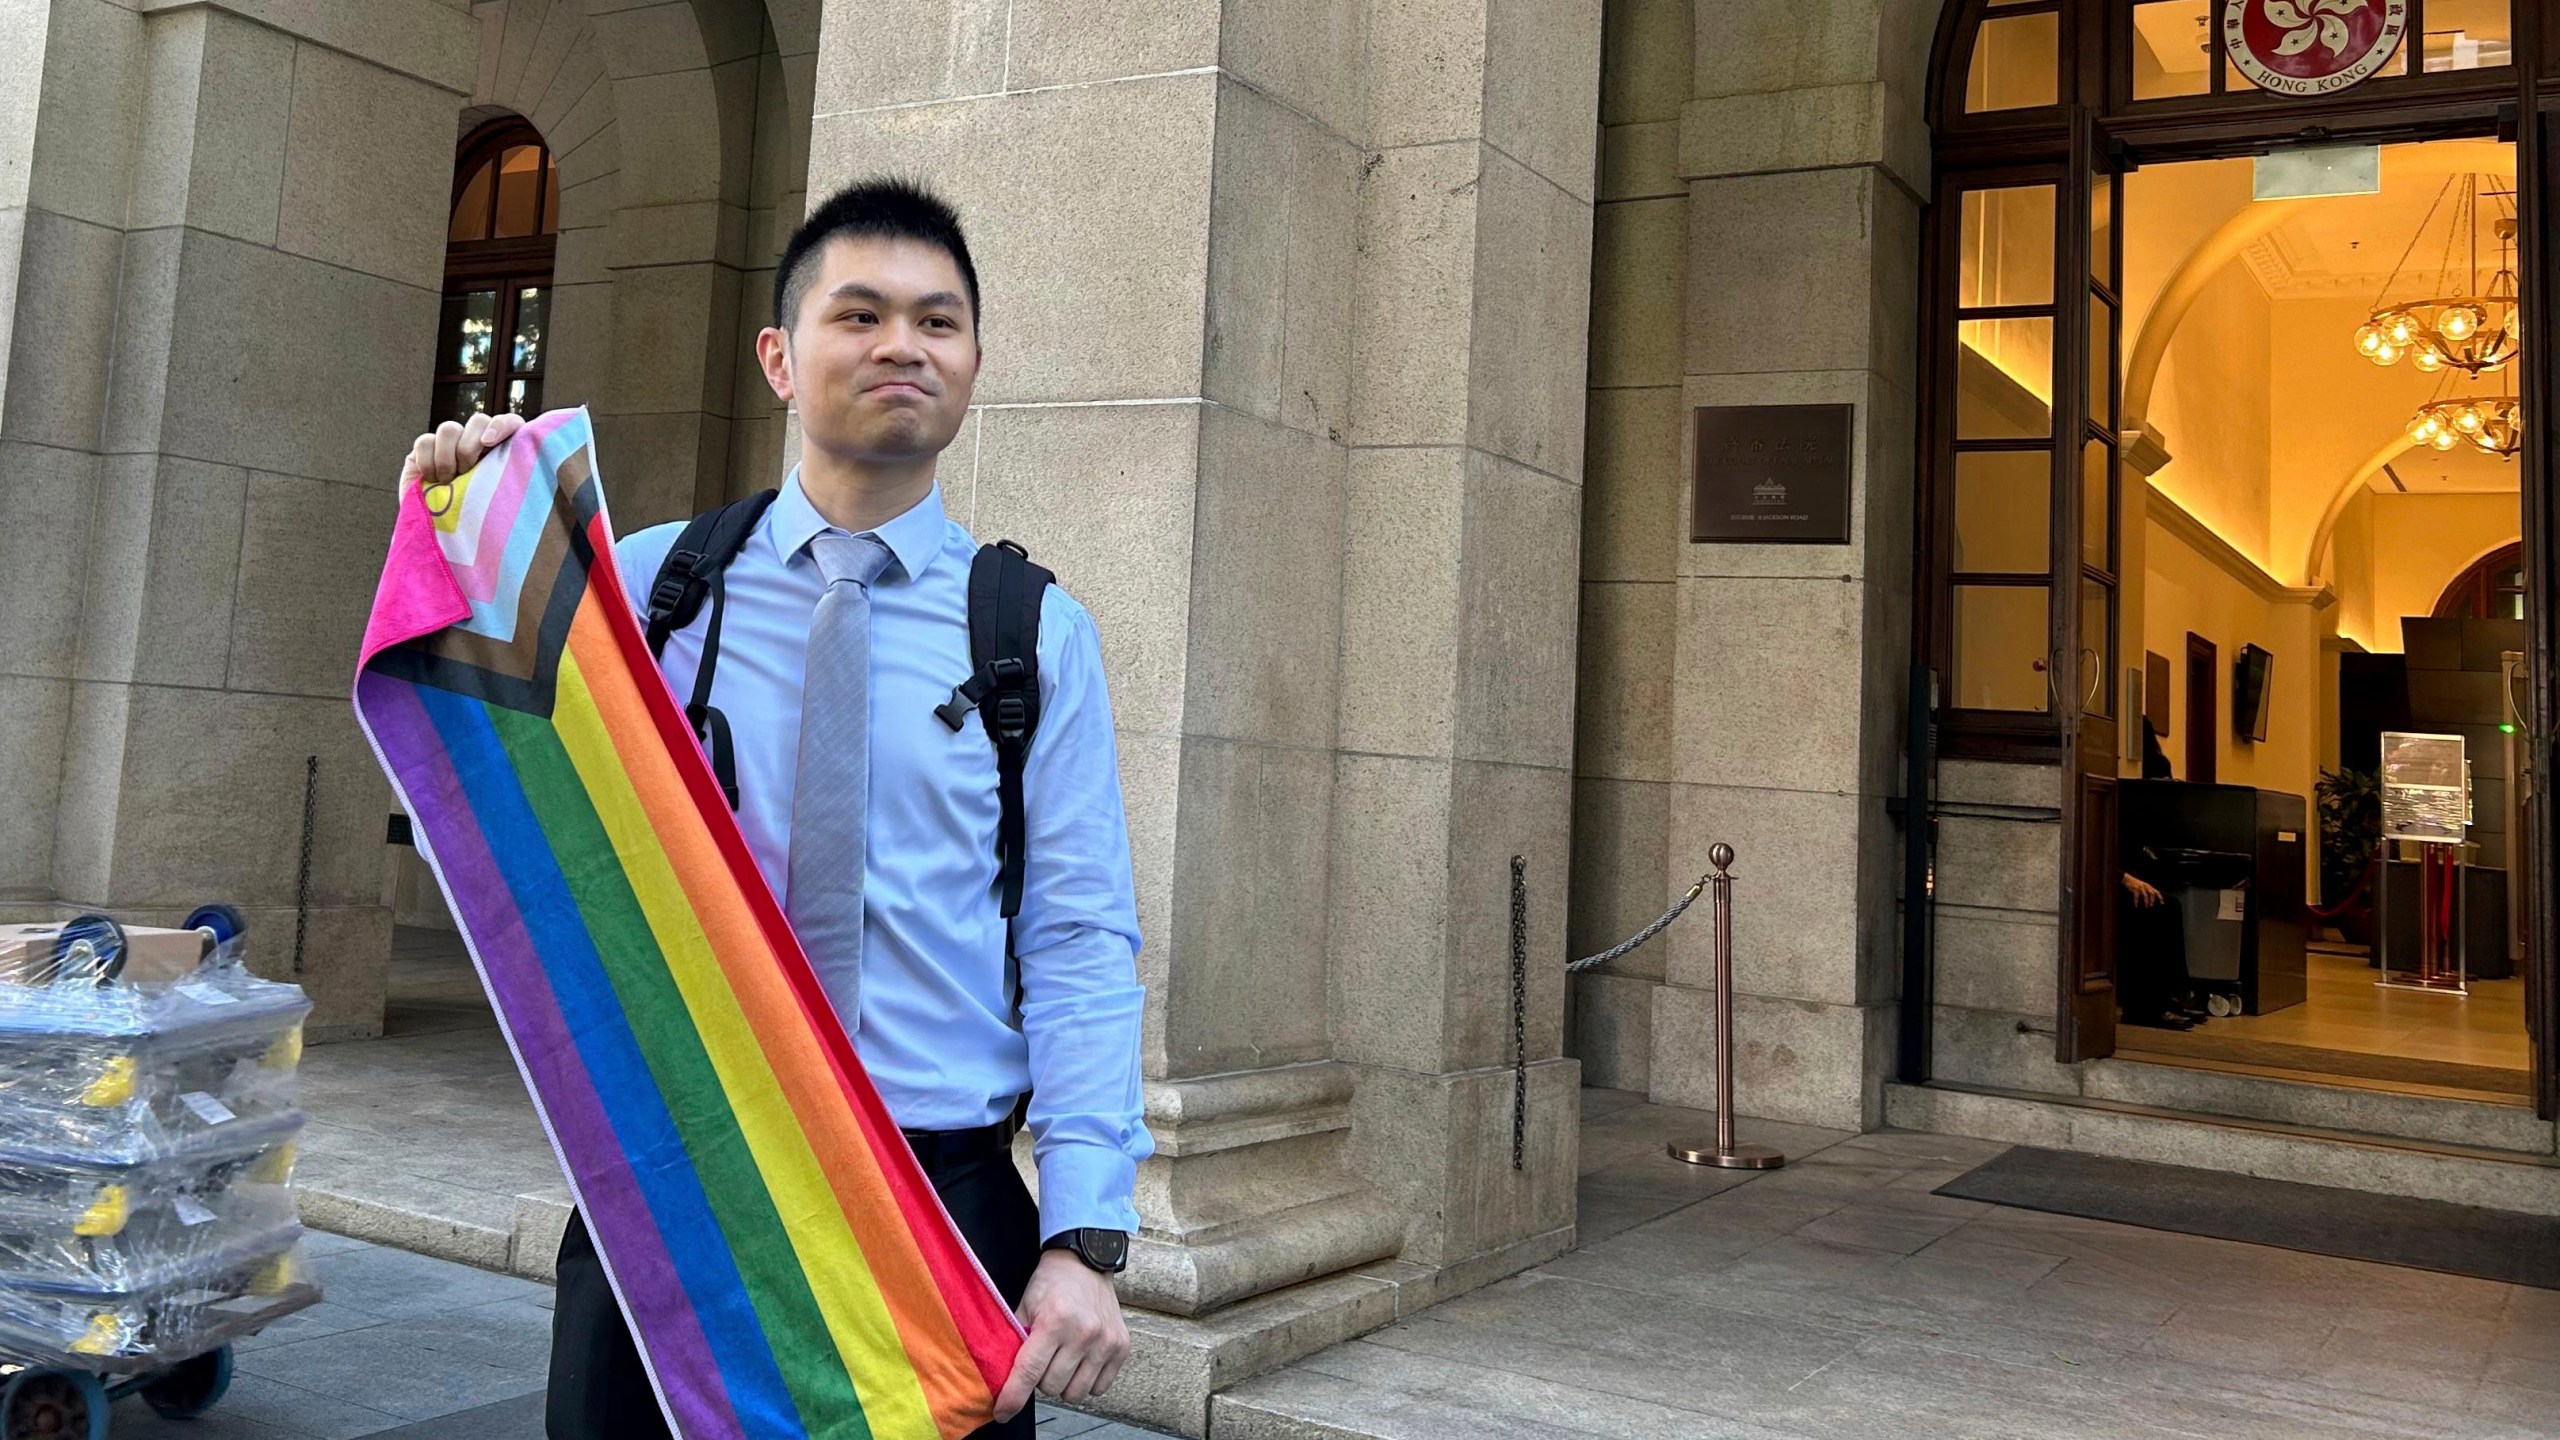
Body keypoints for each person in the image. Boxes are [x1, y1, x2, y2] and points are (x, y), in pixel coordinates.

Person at [399, 179, 1149, 1439]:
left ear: (971, 362)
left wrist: (1083, 1236)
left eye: (938, 321)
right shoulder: (650, 590)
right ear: (779, 359)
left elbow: (1078, 942)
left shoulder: (1031, 635)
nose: (902, 345)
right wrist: (460, 549)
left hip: (935, 1195)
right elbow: (486, 833)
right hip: (678, 1170)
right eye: (858, 314)